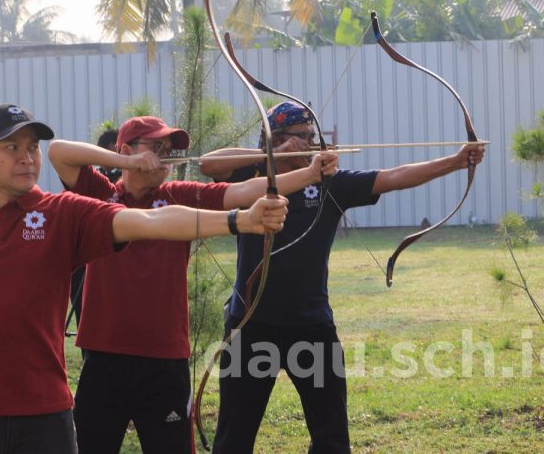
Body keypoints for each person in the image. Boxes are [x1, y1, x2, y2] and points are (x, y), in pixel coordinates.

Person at [0, 104, 288, 454]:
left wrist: (239, 220)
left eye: (32, 147)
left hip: (42, 415)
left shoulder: (64, 213)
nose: (28, 158)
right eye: (11, 148)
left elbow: (155, 219)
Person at [199, 101, 486, 454]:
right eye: (300, 137)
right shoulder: (251, 179)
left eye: (311, 136)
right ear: (274, 138)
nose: (310, 143)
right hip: (251, 325)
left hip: (311, 326)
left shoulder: (330, 183)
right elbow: (207, 163)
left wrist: (456, 161)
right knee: (233, 440)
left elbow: (394, 176)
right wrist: (272, 152)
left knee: (332, 439)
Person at [47, 115, 338, 454]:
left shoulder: (177, 195)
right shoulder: (98, 194)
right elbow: (58, 152)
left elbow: (242, 191)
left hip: (164, 361)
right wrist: (125, 161)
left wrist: (310, 173)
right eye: (157, 148)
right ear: (126, 149)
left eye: (170, 151)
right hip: (103, 357)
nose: (167, 158)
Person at [69, 127, 121, 330]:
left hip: (115, 257)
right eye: (118, 149)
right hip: (87, 257)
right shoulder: (91, 179)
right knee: (88, 318)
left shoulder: (124, 177)